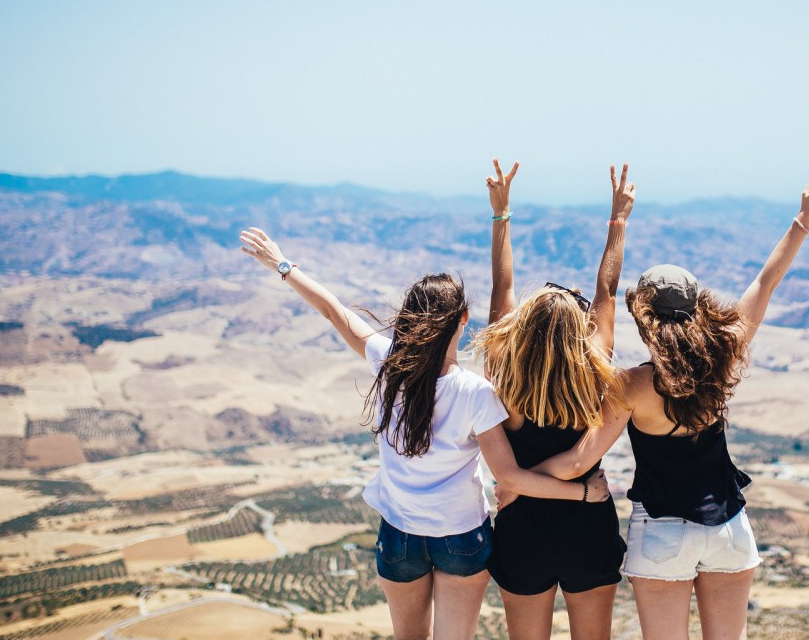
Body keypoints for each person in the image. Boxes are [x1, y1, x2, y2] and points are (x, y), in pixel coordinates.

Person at [239, 223, 610, 640]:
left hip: (399, 535)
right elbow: (509, 478)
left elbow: (334, 310)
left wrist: (282, 265)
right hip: (460, 536)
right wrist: (581, 492)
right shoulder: (476, 394)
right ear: (463, 320)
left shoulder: (387, 362)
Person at [531, 169, 809, 640]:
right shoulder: (726, 352)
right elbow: (766, 282)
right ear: (698, 310)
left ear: (644, 320)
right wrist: (804, 218)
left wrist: (518, 479)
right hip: (730, 530)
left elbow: (577, 462)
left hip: (663, 535)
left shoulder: (633, 386)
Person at [474, 160, 634, 640]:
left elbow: (503, 288)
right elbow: (607, 287)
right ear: (578, 332)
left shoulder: (503, 372)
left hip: (522, 526)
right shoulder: (595, 371)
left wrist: (501, 215)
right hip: (588, 523)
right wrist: (618, 219)